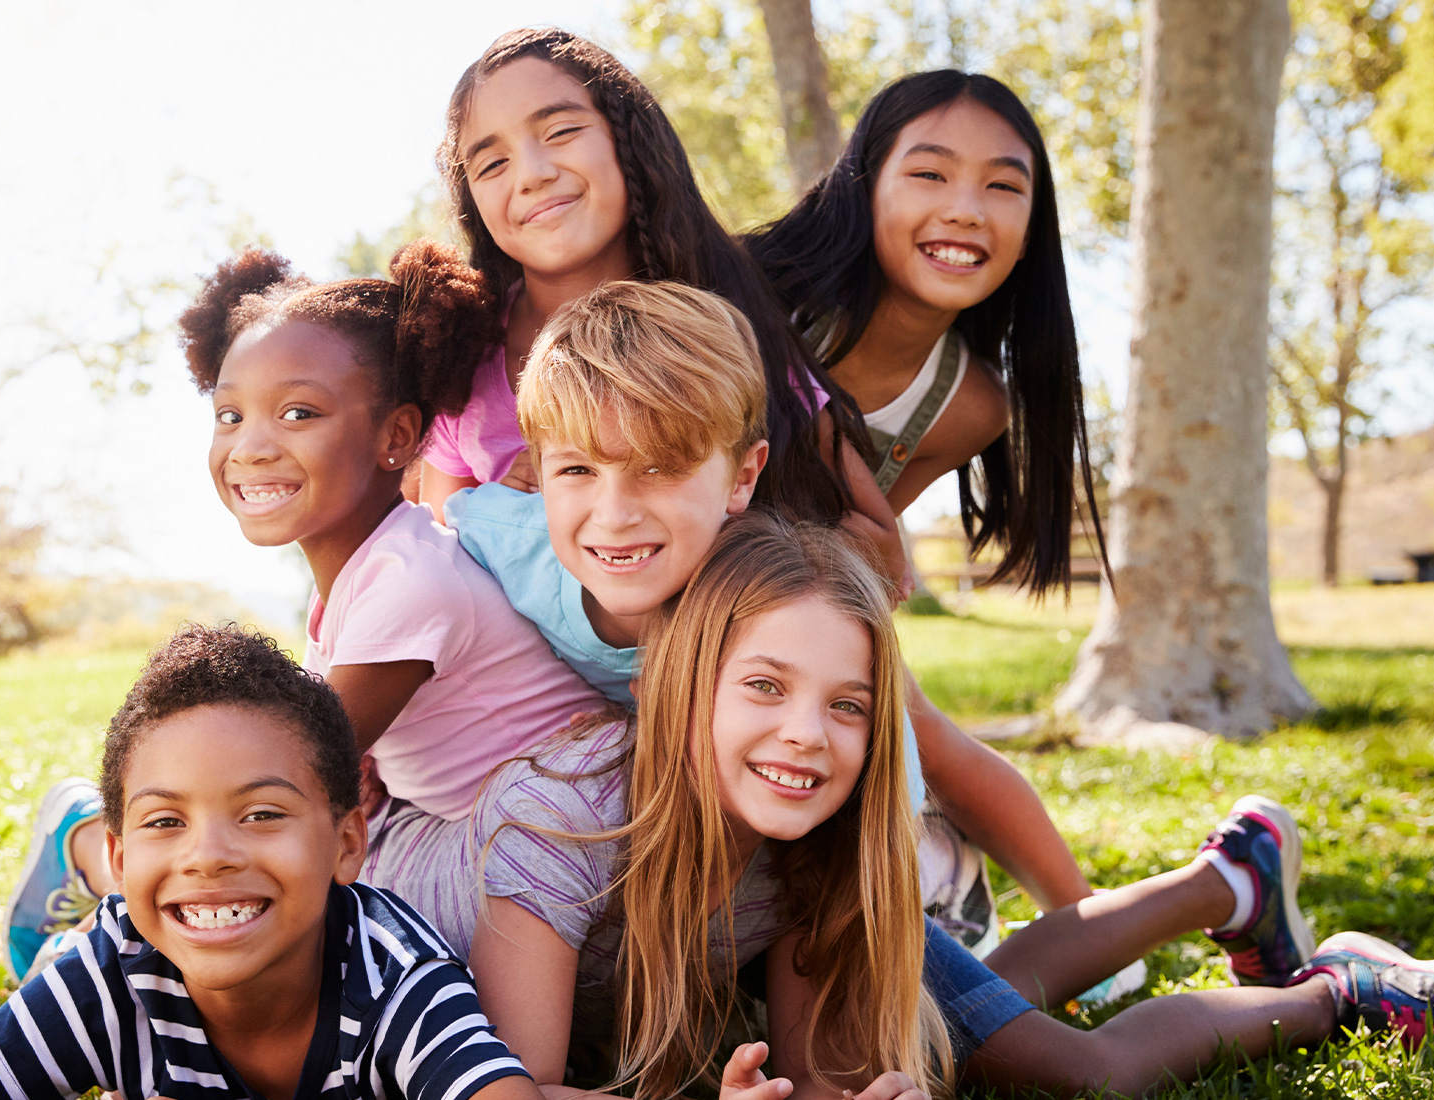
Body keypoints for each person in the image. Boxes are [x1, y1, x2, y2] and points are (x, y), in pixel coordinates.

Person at [453, 515, 1434, 1099]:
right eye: (763, 686)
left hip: (760, 948)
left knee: (1061, 1064)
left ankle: (1332, 986)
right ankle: (1225, 881)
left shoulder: (810, 835)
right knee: (981, 1006)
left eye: (846, 705)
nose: (807, 732)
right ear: (677, 690)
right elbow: (510, 1090)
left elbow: (820, 1079)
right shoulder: (557, 831)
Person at [0, 245, 608, 977]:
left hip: (549, 843)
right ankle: (97, 860)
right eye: (230, 415)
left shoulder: (411, 578)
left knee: (266, 870)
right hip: (479, 839)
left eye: (298, 412)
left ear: (398, 438)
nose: (251, 446)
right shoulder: (359, 580)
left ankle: (94, 854)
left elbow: (288, 775)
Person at [437, 280, 1097, 918]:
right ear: (539, 467)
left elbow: (883, 770)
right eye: (578, 469)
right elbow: (397, 600)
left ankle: (955, 882)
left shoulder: (780, 609)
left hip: (822, 840)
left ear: (743, 477)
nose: (613, 516)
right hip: (665, 823)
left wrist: (890, 871)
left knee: (981, 1016)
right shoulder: (493, 541)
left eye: (661, 468)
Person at [0, 625, 540, 1100]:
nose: (210, 855)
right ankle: (68, 847)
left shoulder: (395, 978)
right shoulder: (114, 970)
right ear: (121, 859)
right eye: (166, 821)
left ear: (347, 844)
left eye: (262, 814)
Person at [412, 28, 899, 588]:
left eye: (562, 131)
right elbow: (439, 568)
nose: (532, 173)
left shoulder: (720, 333)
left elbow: (881, 552)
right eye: (491, 165)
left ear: (628, 140)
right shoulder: (464, 358)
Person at [745, 71, 1100, 592]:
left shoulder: (968, 409)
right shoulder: (747, 304)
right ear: (861, 190)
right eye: (930, 174)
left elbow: (848, 560)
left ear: (1028, 235)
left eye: (1003, 186)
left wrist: (874, 562)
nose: (966, 211)